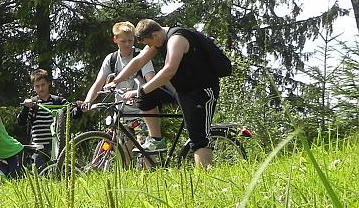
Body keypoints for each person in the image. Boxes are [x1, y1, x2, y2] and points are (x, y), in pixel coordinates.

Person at [112, 19, 220, 167]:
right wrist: (116, 81)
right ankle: (156, 141)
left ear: (155, 35)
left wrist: (142, 89)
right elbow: (138, 62)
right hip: (181, 89)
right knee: (146, 98)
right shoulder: (159, 39)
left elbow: (169, 70)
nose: (150, 47)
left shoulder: (177, 39)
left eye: (149, 43)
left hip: (200, 91)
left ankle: (206, 180)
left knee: (198, 139)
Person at [81, 21, 177, 151]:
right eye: (123, 41)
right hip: (121, 114)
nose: (127, 44)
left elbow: (151, 80)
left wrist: (136, 92)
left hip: (142, 114)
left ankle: (150, 170)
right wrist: (88, 101)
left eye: (130, 41)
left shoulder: (140, 55)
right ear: (115, 40)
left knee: (145, 151)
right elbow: (98, 83)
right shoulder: (111, 59)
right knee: (124, 150)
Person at [16, 69, 80, 170]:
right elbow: (21, 122)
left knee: (59, 171)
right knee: (40, 173)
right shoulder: (33, 103)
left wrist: (78, 108)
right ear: (34, 87)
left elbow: (72, 113)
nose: (41, 89)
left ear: (48, 83)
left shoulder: (58, 101)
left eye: (43, 85)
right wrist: (26, 108)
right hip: (38, 147)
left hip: (56, 146)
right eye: (37, 86)